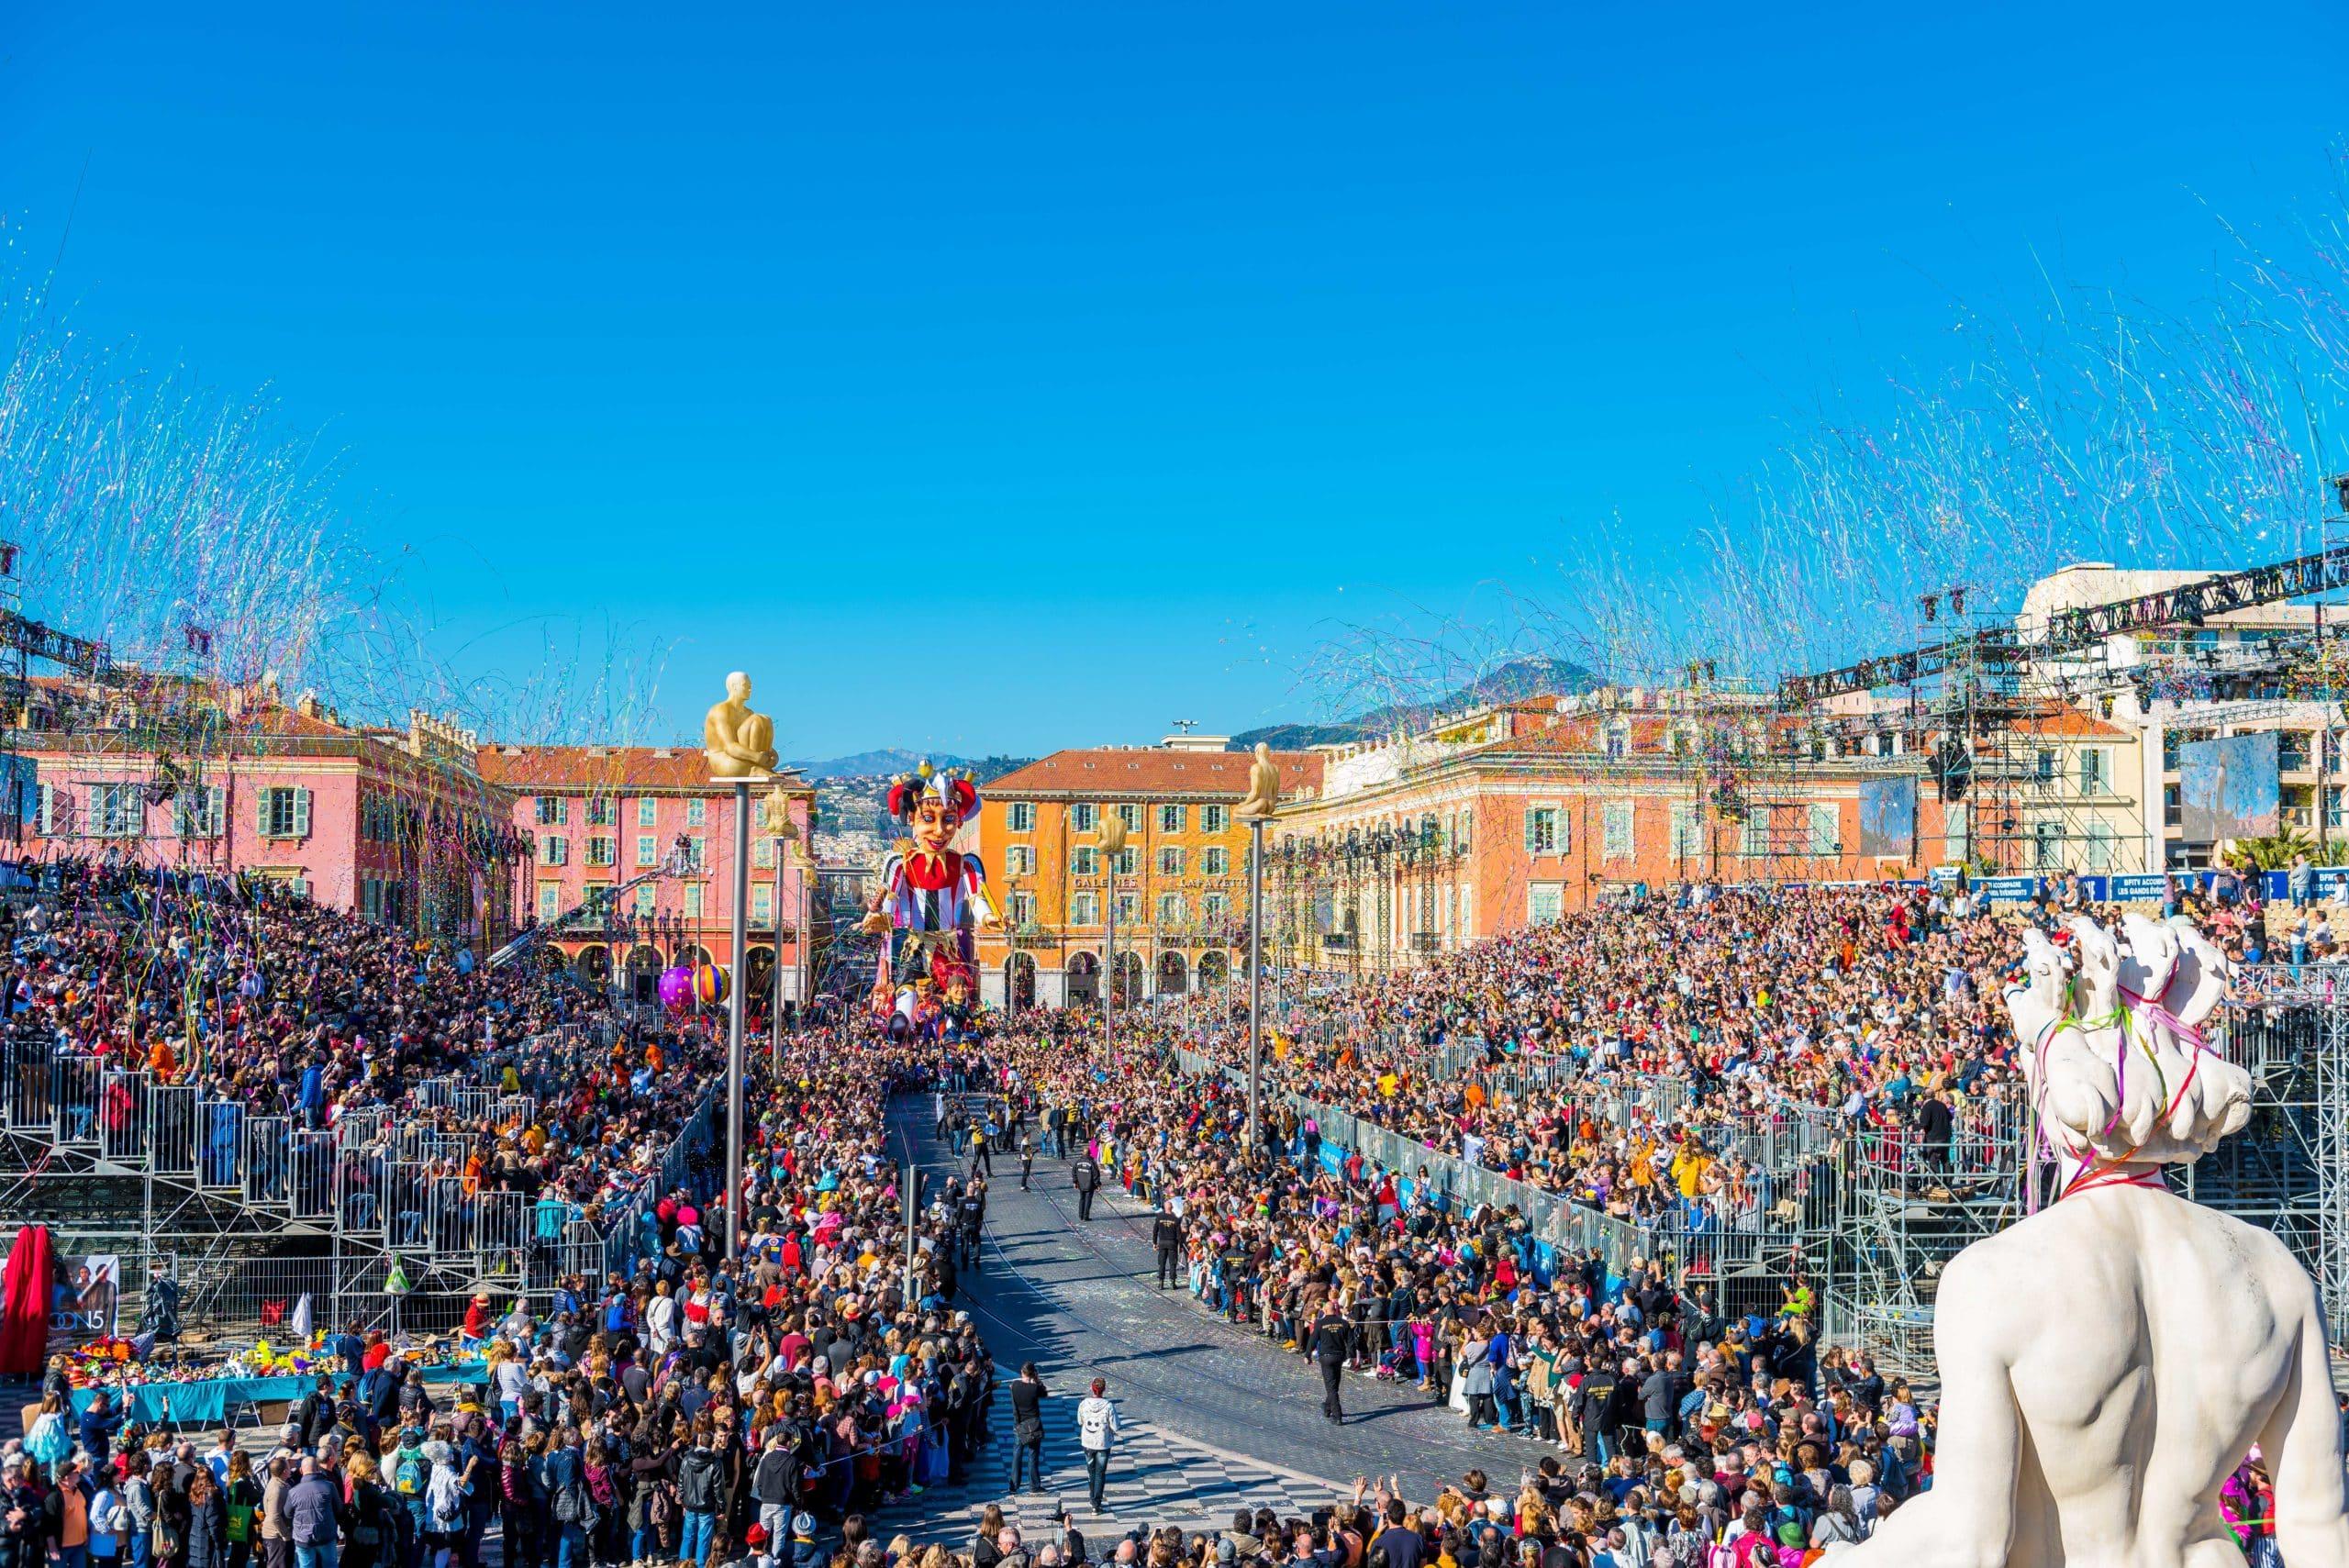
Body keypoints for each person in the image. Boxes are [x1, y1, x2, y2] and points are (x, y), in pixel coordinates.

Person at [285, 1460, 340, 1568]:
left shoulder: (293, 1491)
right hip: (326, 1535)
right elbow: (339, 1509)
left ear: (301, 1470)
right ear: (317, 1469)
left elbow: (287, 1513)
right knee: (330, 1565)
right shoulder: (329, 1486)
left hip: (303, 1538)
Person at [1074, 1379, 1119, 1515]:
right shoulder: (1108, 1406)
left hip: (1088, 1443)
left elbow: (1080, 1421)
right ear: (1104, 1389)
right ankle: (1096, 1503)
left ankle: (1092, 1497)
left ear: (1091, 1388)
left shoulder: (1084, 1404)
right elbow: (1115, 1426)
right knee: (1100, 1473)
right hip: (1103, 1443)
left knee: (1091, 1471)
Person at [1008, 1364, 1049, 1496]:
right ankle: (1034, 1485)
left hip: (1019, 1424)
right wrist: (1036, 1380)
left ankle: (1014, 1484)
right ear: (1033, 1373)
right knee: (1033, 1455)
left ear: (1022, 1372)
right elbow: (1044, 1393)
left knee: (1017, 1454)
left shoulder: (1014, 1385)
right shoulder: (1034, 1388)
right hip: (1033, 1425)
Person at [1309, 1306, 1352, 1425]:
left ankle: (1337, 1415)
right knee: (1334, 1385)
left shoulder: (1320, 1323)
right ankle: (1327, 1408)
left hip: (1326, 1357)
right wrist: (1351, 1355)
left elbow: (1313, 1340)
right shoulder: (1343, 1323)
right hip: (1339, 1357)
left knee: (1331, 1387)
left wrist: (1307, 1355)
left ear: (1325, 1310)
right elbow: (1350, 1340)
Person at [1151, 1210, 1183, 1290]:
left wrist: (1154, 1243)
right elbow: (1179, 1234)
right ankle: (1172, 1282)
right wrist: (1180, 1245)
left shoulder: (1159, 1217)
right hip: (1172, 1243)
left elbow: (1155, 1231)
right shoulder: (1176, 1219)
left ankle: (1161, 1283)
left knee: (1162, 1263)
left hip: (1162, 1242)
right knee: (1173, 1264)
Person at [1072, 1154, 1100, 1222]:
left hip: (1081, 1184)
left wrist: (1075, 1182)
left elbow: (1074, 1172)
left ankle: (1081, 1215)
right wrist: (1097, 1184)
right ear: (1089, 1154)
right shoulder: (1091, 1163)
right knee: (1088, 1200)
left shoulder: (1077, 1162)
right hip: (1090, 1185)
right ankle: (1085, 1216)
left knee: (1082, 1199)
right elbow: (1095, 1174)